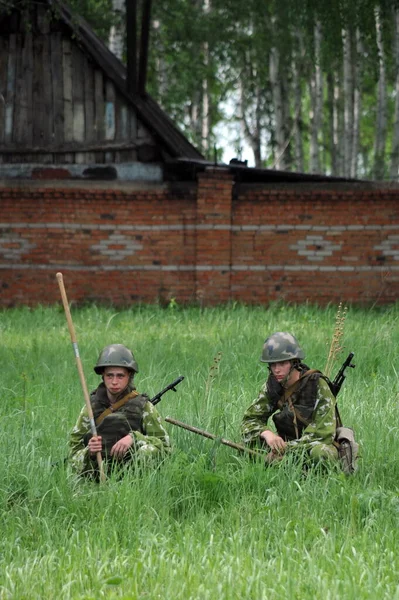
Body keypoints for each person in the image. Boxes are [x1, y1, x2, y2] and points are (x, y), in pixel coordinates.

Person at [68, 344, 170, 479]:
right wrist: (90, 452)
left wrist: (134, 438)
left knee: (147, 451)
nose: (114, 382)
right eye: (110, 376)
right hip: (97, 475)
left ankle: (137, 488)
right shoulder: (90, 409)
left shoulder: (144, 407)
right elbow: (73, 455)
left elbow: (165, 447)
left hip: (134, 475)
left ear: (129, 376)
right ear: (103, 376)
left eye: (120, 376)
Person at [241, 332, 338, 466]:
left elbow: (323, 435)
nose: (276, 370)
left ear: (294, 362)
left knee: (321, 454)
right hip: (286, 444)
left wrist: (285, 449)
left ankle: (287, 465)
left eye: (282, 363)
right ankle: (285, 464)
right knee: (247, 445)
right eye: (272, 364)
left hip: (312, 445)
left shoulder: (317, 385)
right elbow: (249, 420)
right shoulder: (272, 386)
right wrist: (266, 433)